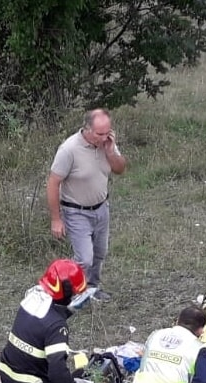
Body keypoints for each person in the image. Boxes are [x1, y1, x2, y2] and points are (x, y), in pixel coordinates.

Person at [0, 259, 95, 383]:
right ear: (69, 294)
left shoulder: (33, 299)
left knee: (76, 378)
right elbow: (57, 372)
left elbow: (45, 321)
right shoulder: (57, 326)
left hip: (9, 379)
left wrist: (67, 311)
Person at [47, 109, 127, 302]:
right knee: (84, 258)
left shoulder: (107, 144)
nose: (104, 137)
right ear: (87, 129)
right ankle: (61, 289)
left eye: (108, 132)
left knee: (100, 253)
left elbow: (120, 169)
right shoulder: (69, 149)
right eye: (100, 134)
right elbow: (53, 183)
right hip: (76, 211)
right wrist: (56, 219)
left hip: (101, 208)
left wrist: (110, 151)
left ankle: (91, 288)